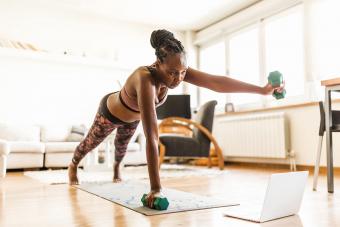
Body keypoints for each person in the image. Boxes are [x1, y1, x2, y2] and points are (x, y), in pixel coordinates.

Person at [68, 29, 285, 208]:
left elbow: (215, 83)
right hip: (111, 111)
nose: (178, 78)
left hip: (132, 117)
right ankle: (73, 165)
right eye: (172, 73)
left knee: (121, 146)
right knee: (90, 143)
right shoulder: (144, 79)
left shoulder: (177, 68)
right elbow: (153, 137)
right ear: (157, 63)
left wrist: (262, 90)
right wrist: (155, 188)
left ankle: (116, 169)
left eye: (183, 72)